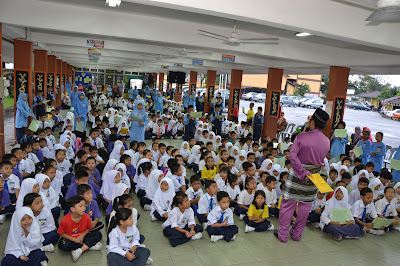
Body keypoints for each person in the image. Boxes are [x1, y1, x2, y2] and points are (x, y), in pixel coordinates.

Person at [275, 108, 330, 243]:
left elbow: (293, 156)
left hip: (297, 175)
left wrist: (302, 172)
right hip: (313, 177)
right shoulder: (327, 141)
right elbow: (321, 160)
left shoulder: (301, 137)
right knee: (305, 206)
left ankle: (283, 235)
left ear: (312, 123)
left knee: (288, 205)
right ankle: (297, 234)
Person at [58, 196, 102, 262]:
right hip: (71, 238)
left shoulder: (86, 217)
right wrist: (74, 239)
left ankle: (79, 250)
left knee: (98, 234)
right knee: (63, 245)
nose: (84, 208)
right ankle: (88, 246)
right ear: (72, 209)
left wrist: (82, 235)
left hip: (83, 237)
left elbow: (89, 228)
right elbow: (61, 233)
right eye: (81, 206)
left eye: (84, 206)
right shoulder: (65, 220)